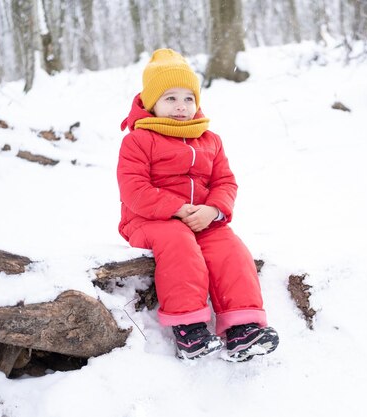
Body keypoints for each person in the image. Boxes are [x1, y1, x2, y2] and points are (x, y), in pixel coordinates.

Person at [117, 49, 279, 361]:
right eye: (170, 98)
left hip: (203, 220)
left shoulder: (210, 140)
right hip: (149, 221)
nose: (181, 106)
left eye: (188, 98)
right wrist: (176, 208)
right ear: (151, 103)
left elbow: (225, 182)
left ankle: (243, 327)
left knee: (230, 249)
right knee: (178, 243)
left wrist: (213, 210)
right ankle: (189, 328)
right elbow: (133, 188)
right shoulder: (138, 140)